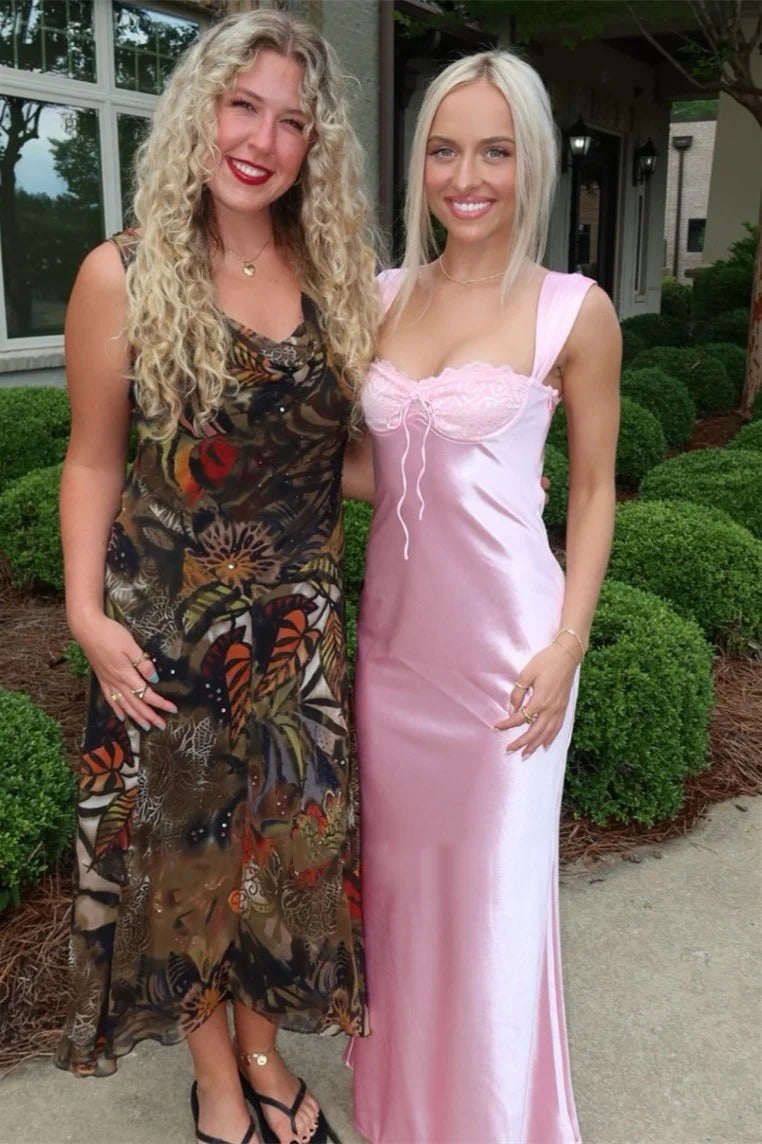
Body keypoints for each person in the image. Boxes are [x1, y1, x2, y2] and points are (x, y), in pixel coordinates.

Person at [55, 11, 379, 1144]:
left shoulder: (335, 275)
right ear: (200, 110)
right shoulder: (123, 273)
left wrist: (473, 465)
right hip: (165, 640)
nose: (261, 141)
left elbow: (342, 459)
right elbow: (93, 458)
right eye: (243, 106)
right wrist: (84, 613)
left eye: (291, 121)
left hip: (297, 648)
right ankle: (220, 1085)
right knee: (186, 873)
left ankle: (263, 1051)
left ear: (313, 146)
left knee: (285, 863)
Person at [343, 49, 621, 1143]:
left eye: (495, 152)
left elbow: (592, 492)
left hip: (513, 657)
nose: (468, 177)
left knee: (497, 906)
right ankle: (407, 1114)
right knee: (405, 899)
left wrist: (568, 645)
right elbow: (376, 466)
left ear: (530, 163)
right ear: (419, 164)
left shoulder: (572, 311)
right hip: (394, 654)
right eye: (445, 151)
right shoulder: (378, 297)